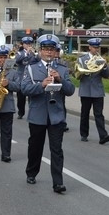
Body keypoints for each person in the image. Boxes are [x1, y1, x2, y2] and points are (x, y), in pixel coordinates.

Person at [20, 35, 76, 193]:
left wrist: (60, 79)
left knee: (57, 150)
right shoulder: (31, 68)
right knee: (35, 147)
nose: (49, 53)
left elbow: (70, 91)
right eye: (45, 49)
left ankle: (58, 182)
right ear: (40, 51)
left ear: (56, 51)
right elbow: (24, 89)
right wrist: (41, 85)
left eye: (52, 50)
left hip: (56, 116)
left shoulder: (62, 69)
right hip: (38, 114)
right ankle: (31, 172)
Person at [76, 37, 109, 144]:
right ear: (89, 47)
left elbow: (106, 76)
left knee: (99, 114)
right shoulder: (82, 59)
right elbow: (77, 75)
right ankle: (84, 134)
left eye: (98, 47)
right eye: (94, 47)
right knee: (85, 113)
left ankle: (103, 136)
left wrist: (105, 66)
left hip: (97, 91)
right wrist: (86, 70)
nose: (96, 49)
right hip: (86, 90)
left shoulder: (101, 59)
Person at [13, 35, 38, 119]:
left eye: (29, 43)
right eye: (26, 44)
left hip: (31, 78)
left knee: (31, 97)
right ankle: (21, 112)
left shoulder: (33, 53)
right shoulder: (20, 53)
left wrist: (34, 54)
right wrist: (26, 53)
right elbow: (17, 60)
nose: (28, 45)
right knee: (21, 98)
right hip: (21, 78)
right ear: (23, 44)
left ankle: (32, 112)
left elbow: (38, 61)